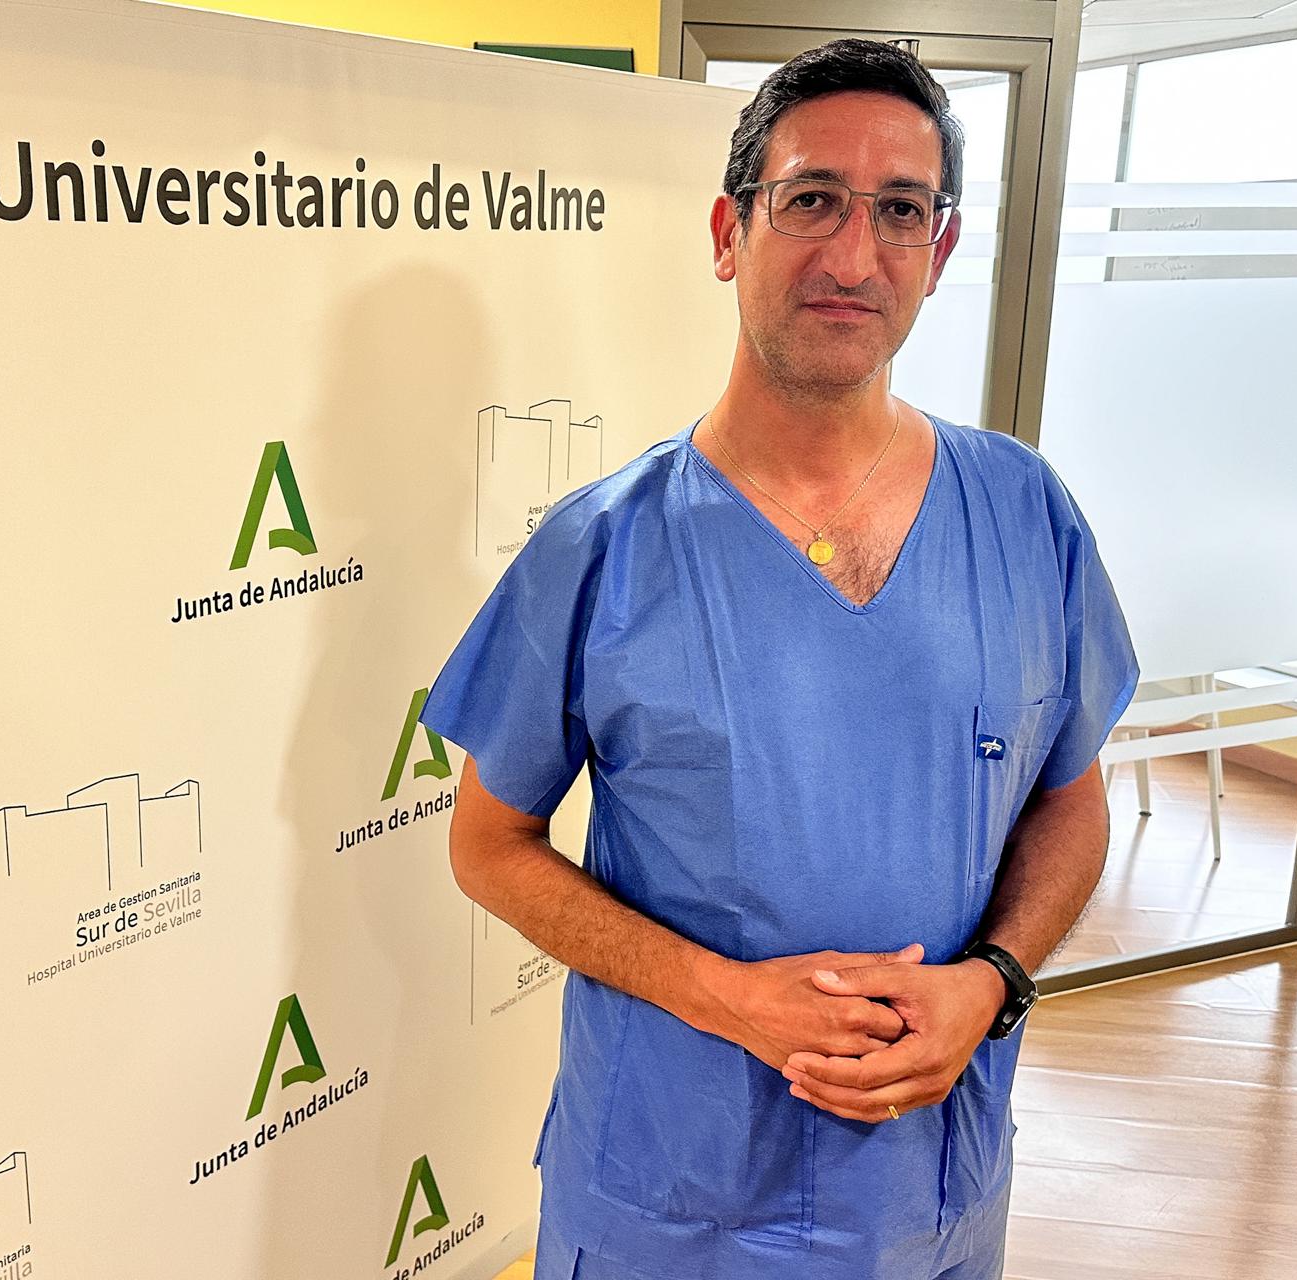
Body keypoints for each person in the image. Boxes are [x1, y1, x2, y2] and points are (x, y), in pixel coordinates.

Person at [421, 38, 1141, 1280]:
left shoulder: (1027, 516)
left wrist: (995, 982)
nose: (854, 255)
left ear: (941, 251)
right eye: (811, 198)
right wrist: (725, 994)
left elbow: (1071, 804)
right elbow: (487, 843)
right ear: (728, 230)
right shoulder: (603, 547)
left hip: (932, 1194)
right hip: (672, 1194)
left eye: (900, 211)